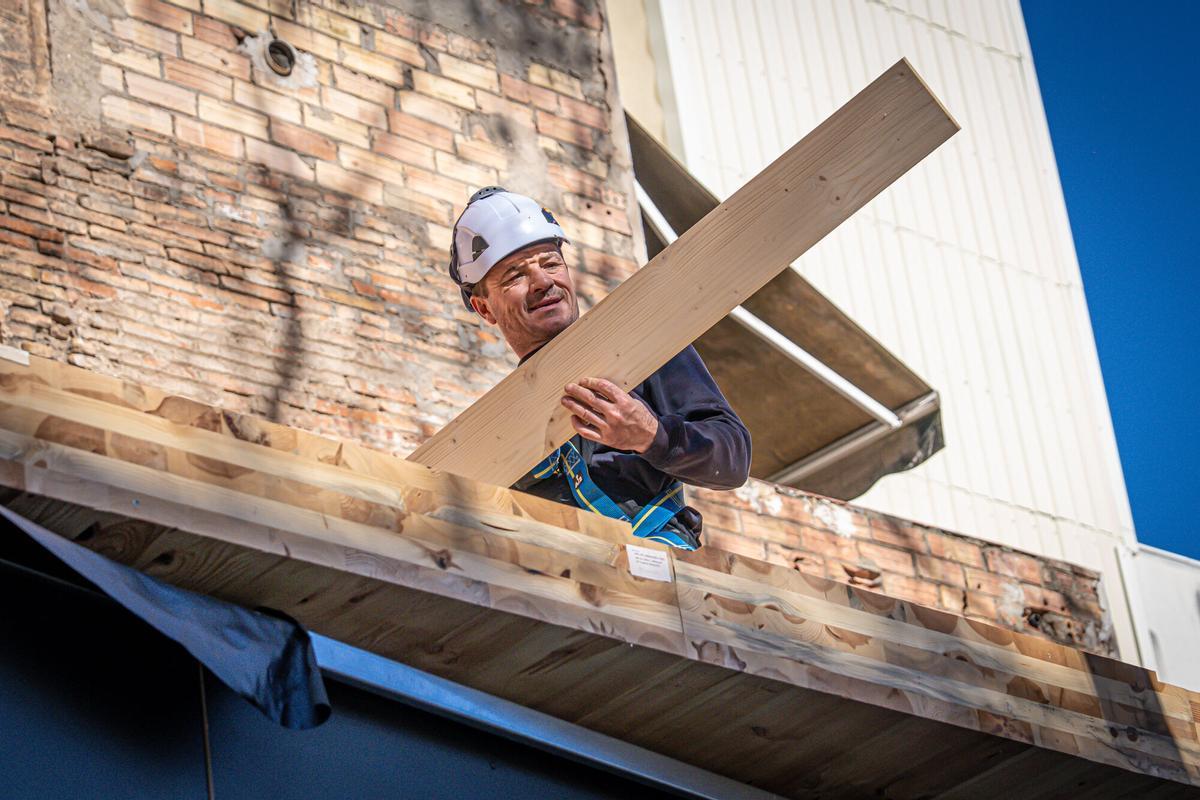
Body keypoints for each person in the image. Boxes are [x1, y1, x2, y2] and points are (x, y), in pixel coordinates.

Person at [447, 187, 751, 550]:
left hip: (656, 578)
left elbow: (732, 459)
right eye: (516, 275)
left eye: (550, 263)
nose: (543, 282)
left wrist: (650, 436)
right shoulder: (496, 432)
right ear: (484, 309)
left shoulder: (641, 349)